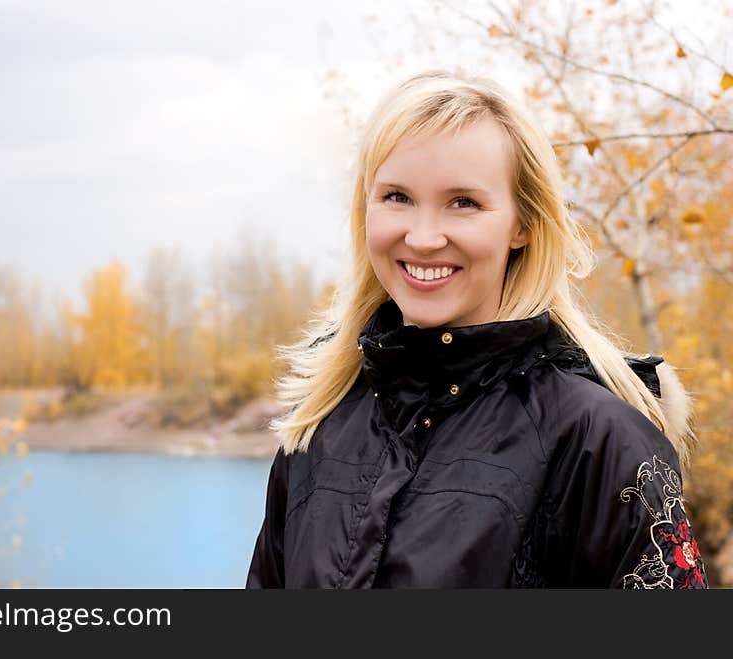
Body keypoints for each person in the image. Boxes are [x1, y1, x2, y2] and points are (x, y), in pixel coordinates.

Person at [245, 70, 709, 589]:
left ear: (523, 223)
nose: (422, 238)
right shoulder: (321, 417)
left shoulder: (599, 440)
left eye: (463, 202)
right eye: (397, 197)